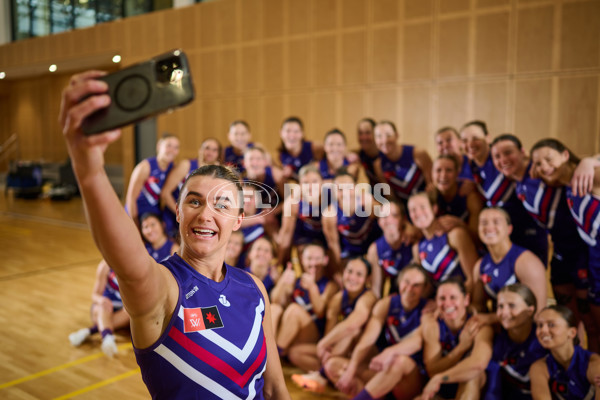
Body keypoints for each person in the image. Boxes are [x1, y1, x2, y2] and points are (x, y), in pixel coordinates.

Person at [60, 71, 289, 399]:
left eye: (221, 204)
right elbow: (128, 261)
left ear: (239, 219)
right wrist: (88, 169)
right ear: (178, 212)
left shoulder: (254, 289)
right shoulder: (161, 287)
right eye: (193, 200)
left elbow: (277, 387)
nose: (205, 213)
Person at [491, 134, 594, 348]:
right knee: (568, 321)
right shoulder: (516, 187)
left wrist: (589, 161)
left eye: (508, 153)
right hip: (560, 256)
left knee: (591, 323)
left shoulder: (548, 175)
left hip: (586, 256)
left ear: (523, 153)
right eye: (497, 156)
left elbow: (569, 168)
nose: (503, 160)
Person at [69, 211, 180, 357]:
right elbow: (97, 293)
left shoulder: (173, 248)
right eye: (145, 227)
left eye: (153, 225)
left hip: (139, 306)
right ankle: (106, 335)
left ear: (162, 225)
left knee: (134, 310)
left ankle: (93, 331)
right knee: (106, 307)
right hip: (105, 308)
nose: (150, 229)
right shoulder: (140, 252)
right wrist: (102, 300)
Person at [367, 278, 494, 400]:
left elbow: (478, 364)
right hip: (437, 387)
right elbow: (432, 370)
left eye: (453, 298)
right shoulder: (433, 323)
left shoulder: (479, 326)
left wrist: (441, 377)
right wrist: (461, 348)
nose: (448, 303)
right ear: (436, 302)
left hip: (463, 386)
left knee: (472, 377)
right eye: (442, 298)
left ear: (466, 300)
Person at [530, 138, 600, 352]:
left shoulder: (590, 174)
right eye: (538, 163)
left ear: (566, 155)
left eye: (549, 159)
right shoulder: (565, 182)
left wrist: (591, 160)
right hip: (595, 258)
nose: (544, 166)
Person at [326, 264, 432, 399]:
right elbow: (367, 339)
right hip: (386, 373)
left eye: (416, 285)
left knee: (399, 361)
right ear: (399, 282)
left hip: (410, 379)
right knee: (333, 365)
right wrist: (351, 369)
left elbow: (417, 342)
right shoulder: (386, 304)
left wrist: (390, 352)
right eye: (406, 282)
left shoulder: (428, 310)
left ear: (424, 289)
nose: (409, 288)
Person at [459, 120, 548, 265]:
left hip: (528, 229)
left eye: (475, 138)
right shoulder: (471, 166)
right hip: (500, 233)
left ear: (488, 138)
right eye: (464, 140)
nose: (470, 144)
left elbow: (526, 165)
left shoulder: (502, 159)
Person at [290, 258, 377, 390]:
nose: (352, 277)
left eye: (359, 274)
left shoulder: (369, 297)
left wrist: (323, 343)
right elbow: (329, 330)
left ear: (367, 279)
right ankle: (327, 374)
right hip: (341, 353)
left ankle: (322, 375)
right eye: (349, 271)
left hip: (365, 357)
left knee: (353, 331)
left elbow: (354, 323)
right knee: (295, 353)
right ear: (343, 273)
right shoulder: (338, 298)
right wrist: (326, 348)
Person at [270, 243, 338, 370]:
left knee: (294, 310)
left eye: (317, 259)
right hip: (289, 333)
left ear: (325, 260)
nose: (313, 263)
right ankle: (268, 354)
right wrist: (282, 283)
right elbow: (276, 301)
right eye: (309, 258)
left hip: (312, 334)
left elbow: (321, 311)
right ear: (302, 260)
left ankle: (273, 358)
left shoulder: (330, 285)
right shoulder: (296, 280)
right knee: (274, 309)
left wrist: (312, 288)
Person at [471, 207, 547, 320]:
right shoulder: (480, 266)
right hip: (499, 329)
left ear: (509, 229)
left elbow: (537, 313)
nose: (489, 227)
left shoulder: (527, 263)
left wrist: (490, 319)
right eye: (484, 223)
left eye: (496, 222)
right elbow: (478, 306)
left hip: (525, 331)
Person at [485, 284, 548, 399]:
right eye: (500, 306)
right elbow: (493, 391)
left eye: (512, 306)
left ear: (530, 310)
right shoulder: (498, 340)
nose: (504, 312)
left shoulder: (545, 341)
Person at [408, 191, 477, 294]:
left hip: (462, 300)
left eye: (422, 207)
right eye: (413, 210)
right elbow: (427, 289)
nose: (418, 213)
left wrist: (451, 302)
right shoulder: (417, 248)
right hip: (441, 301)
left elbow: (473, 280)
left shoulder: (455, 235)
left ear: (434, 209)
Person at [530, 305, 600, 399]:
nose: (543, 330)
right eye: (540, 325)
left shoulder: (594, 363)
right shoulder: (539, 367)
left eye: (551, 325)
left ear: (572, 332)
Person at [322, 169, 381, 271]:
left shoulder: (367, 201)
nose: (345, 193)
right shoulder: (329, 214)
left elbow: (386, 221)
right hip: (351, 250)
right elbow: (334, 245)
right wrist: (340, 271)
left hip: (372, 244)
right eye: (340, 189)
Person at [124, 131, 180, 234]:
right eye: (169, 146)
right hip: (139, 212)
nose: (172, 150)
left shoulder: (173, 168)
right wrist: (135, 224)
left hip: (155, 211)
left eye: (176, 147)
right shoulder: (145, 167)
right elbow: (131, 199)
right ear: (159, 146)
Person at [372, 120, 433, 206]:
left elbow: (432, 186)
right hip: (403, 209)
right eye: (379, 136)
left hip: (426, 205)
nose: (384, 140)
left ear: (396, 135)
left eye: (388, 135)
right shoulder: (378, 164)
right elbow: (391, 196)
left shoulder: (418, 153)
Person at [160, 137, 222, 220]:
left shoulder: (217, 172)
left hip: (197, 218)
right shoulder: (186, 165)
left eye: (214, 150)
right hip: (174, 217)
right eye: (207, 148)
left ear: (218, 154)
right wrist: (180, 214)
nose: (210, 152)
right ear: (200, 149)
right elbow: (165, 193)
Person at [277, 164, 326, 266]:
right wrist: (279, 263)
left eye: (315, 182)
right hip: (305, 236)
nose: (311, 187)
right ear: (300, 185)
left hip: (324, 236)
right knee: (308, 256)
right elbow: (286, 235)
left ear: (322, 182)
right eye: (306, 183)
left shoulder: (332, 194)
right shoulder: (293, 202)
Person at [365, 200, 414, 297]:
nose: (389, 220)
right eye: (384, 216)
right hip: (394, 290)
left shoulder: (413, 240)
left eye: (395, 215)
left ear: (403, 219)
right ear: (379, 221)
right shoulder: (375, 249)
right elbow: (377, 289)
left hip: (413, 290)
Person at [432, 154, 483, 243]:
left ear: (457, 173)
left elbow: (478, 238)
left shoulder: (470, 197)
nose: (443, 175)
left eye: (449, 170)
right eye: (438, 170)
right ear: (432, 173)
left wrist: (460, 224)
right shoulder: (430, 196)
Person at [278, 116, 323, 181]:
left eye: (296, 131)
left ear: (302, 133)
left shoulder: (314, 148)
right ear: (281, 133)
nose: (292, 135)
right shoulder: (281, 155)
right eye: (288, 131)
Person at [355, 118, 381, 187]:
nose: (363, 137)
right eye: (360, 133)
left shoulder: (385, 155)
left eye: (367, 133)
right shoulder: (359, 155)